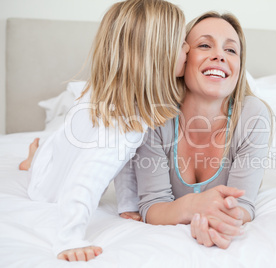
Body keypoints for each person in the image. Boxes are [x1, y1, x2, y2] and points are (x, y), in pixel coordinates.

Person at [18, 0, 189, 261]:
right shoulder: (121, 127)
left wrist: (128, 204)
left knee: (57, 147)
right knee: (40, 160)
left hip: (61, 151)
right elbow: (85, 180)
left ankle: (38, 151)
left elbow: (123, 160)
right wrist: (70, 239)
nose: (187, 48)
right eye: (181, 43)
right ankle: (33, 156)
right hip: (46, 182)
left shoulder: (119, 104)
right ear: (157, 55)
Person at [116, 11, 273, 249]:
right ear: (181, 57)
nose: (219, 55)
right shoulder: (156, 115)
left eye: (231, 50)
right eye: (204, 45)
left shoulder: (253, 116)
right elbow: (152, 206)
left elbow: (244, 206)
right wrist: (195, 208)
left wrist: (219, 222)